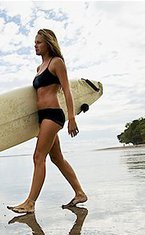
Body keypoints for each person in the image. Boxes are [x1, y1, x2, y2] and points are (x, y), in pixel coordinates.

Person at [7, 29, 87, 214]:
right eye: (35, 42)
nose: (35, 45)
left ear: (48, 43)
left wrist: (72, 118)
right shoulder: (39, 68)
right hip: (42, 118)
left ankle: (30, 203)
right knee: (57, 158)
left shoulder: (56, 62)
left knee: (38, 157)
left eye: (39, 42)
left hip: (53, 115)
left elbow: (67, 90)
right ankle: (80, 193)